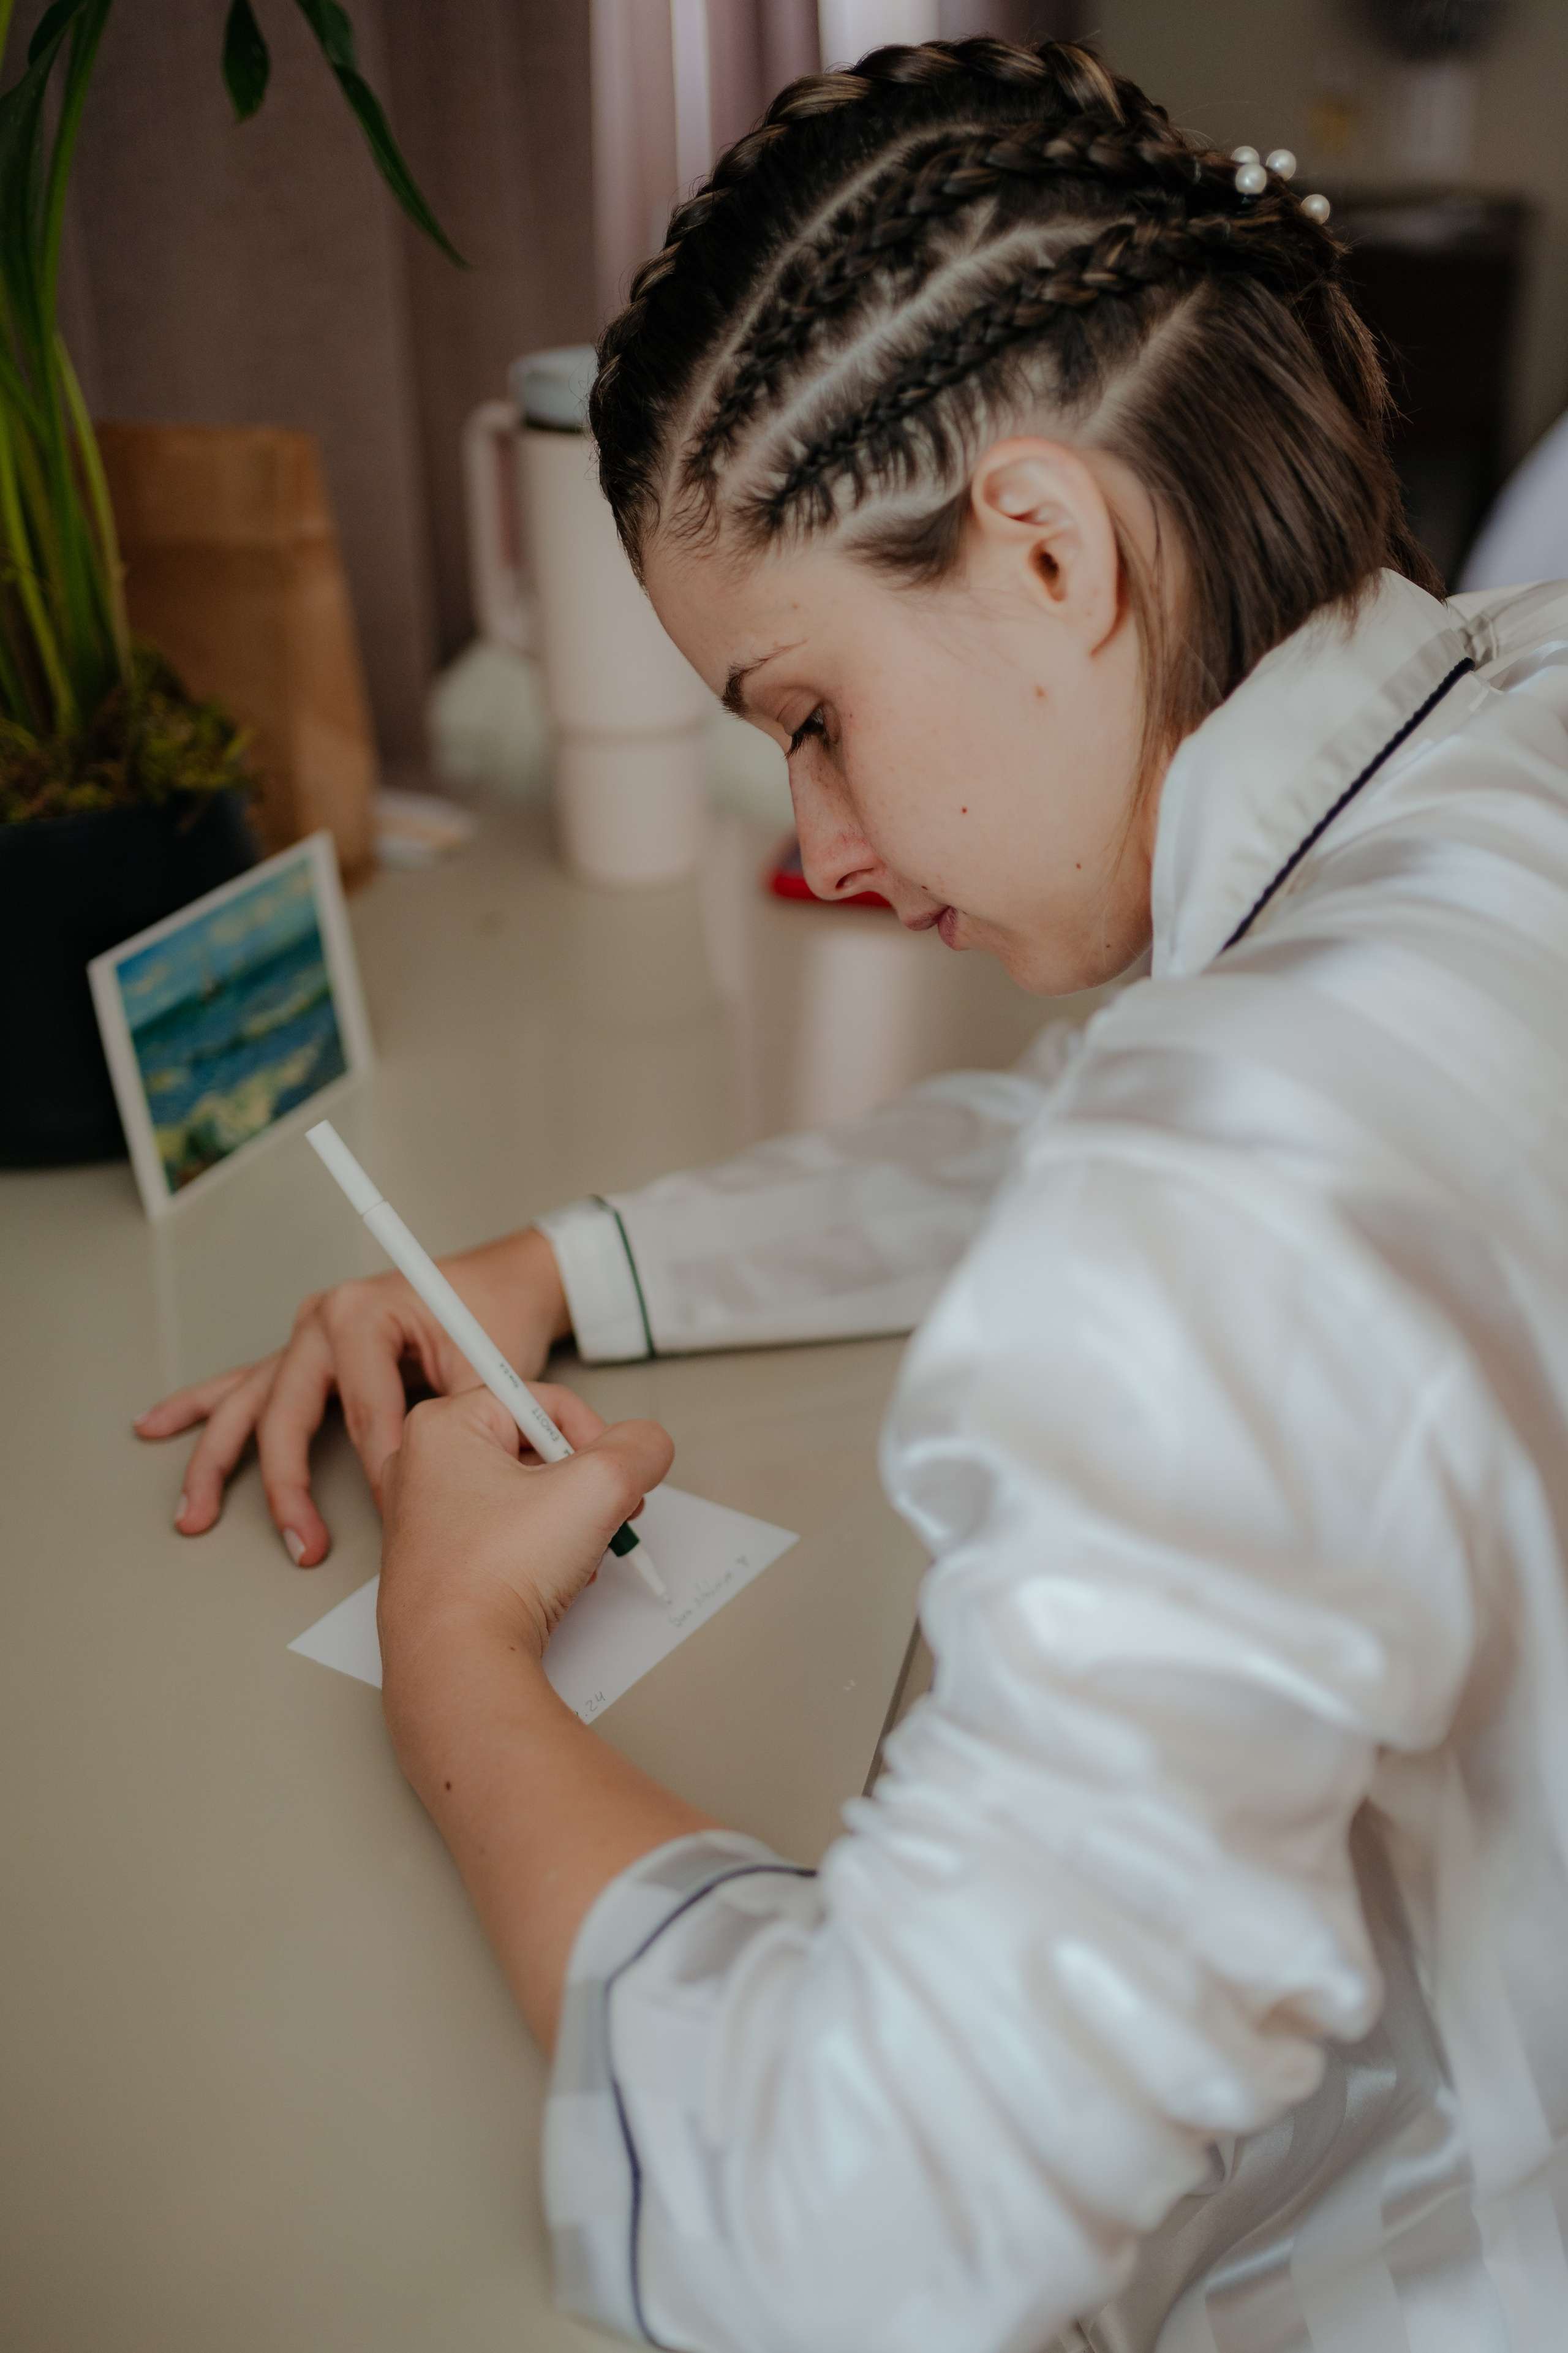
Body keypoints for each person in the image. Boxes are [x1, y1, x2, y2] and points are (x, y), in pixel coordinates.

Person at [136, 38, 1568, 2352]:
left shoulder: (1224, 1200)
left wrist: (461, 1672)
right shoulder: (1511, 716)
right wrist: (573, 1264)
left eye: (803, 710)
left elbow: (851, 2248)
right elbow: (1141, 1110)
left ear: (1043, 547)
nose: (812, 844)